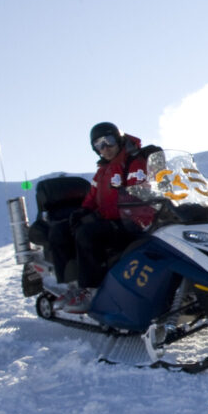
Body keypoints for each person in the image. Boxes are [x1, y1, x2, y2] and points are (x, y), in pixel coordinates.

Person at [53, 122, 158, 312]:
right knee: (61, 231)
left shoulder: (134, 161)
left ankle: (91, 291)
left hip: (131, 222)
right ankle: (69, 285)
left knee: (87, 234)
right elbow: (92, 197)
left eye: (108, 141)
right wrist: (83, 212)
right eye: (98, 145)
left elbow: (138, 194)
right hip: (111, 220)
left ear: (118, 139)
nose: (105, 148)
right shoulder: (103, 170)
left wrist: (102, 217)